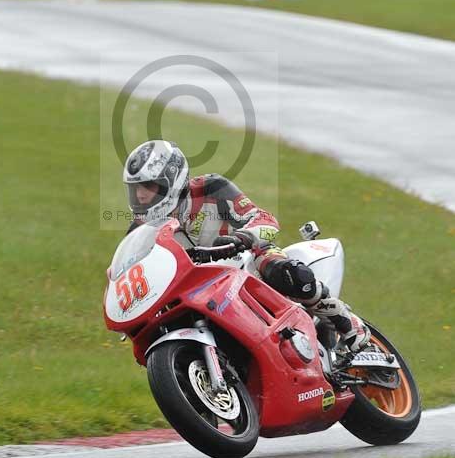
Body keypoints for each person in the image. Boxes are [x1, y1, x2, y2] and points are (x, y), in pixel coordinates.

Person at [123, 139, 370, 353]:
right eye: (136, 190)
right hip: (196, 288)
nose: (141, 196)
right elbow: (132, 273)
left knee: (284, 271)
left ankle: (346, 322)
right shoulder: (140, 229)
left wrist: (241, 238)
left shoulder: (211, 188)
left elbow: (266, 220)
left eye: (149, 187)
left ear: (172, 180)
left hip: (246, 260)